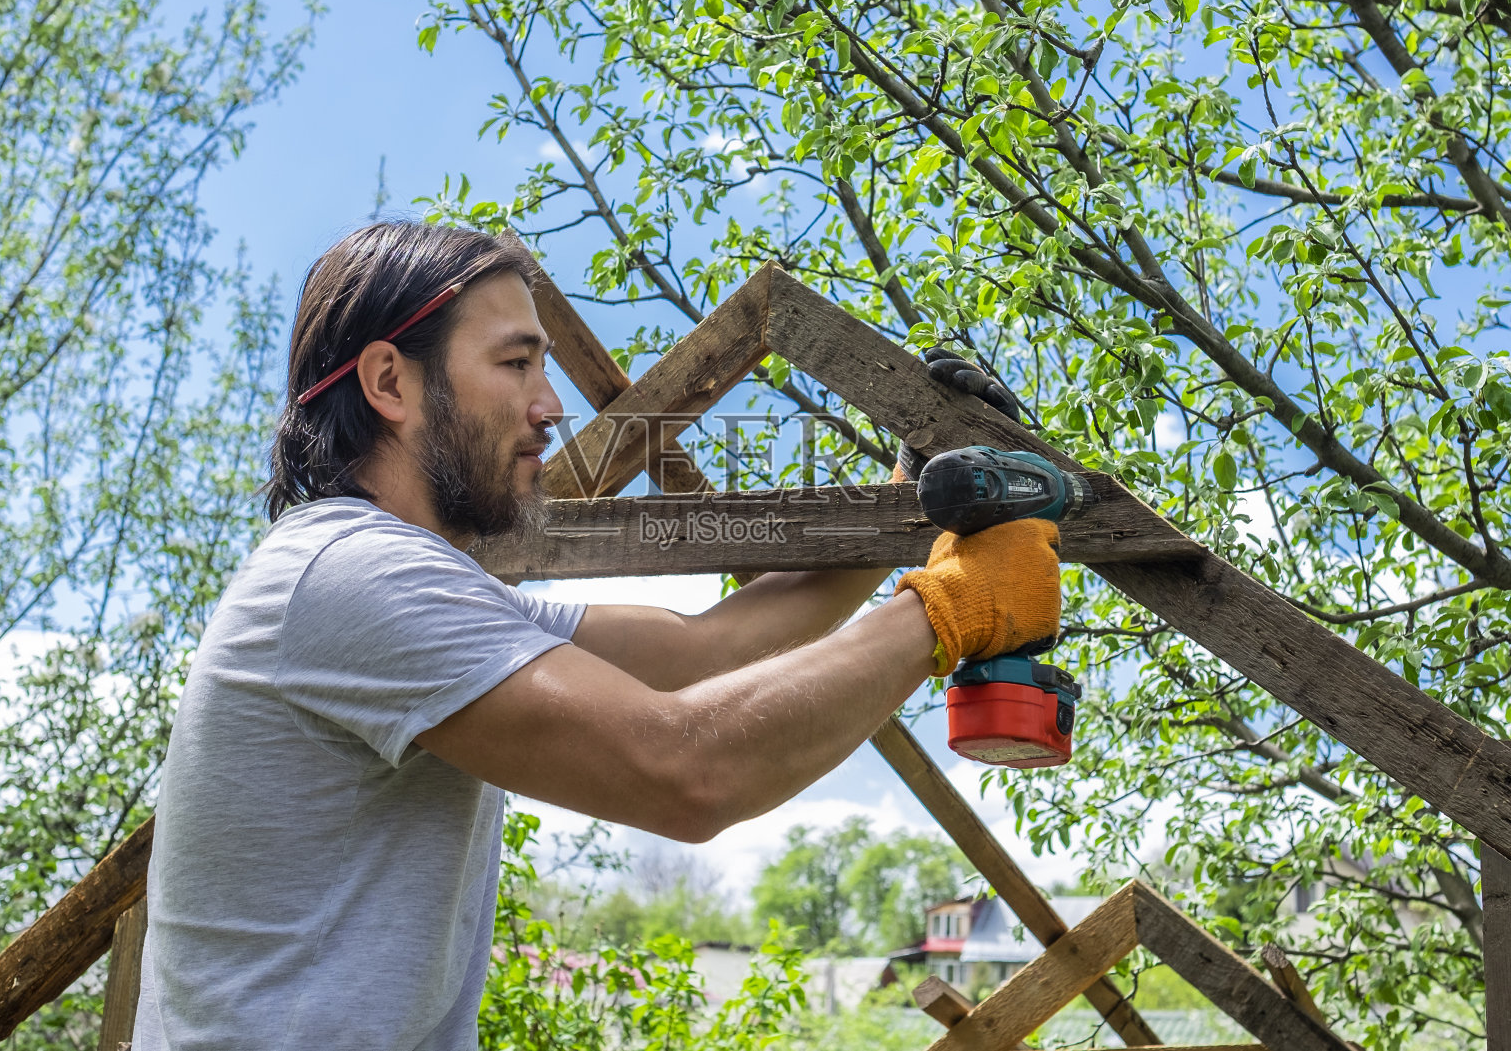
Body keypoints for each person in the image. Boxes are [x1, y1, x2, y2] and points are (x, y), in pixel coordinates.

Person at [131, 221, 1061, 1051]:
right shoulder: (351, 578)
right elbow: (685, 768)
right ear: (389, 382)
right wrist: (947, 608)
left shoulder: (418, 588)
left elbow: (709, 649)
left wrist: (904, 505)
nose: (551, 405)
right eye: (514, 364)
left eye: (545, 366)